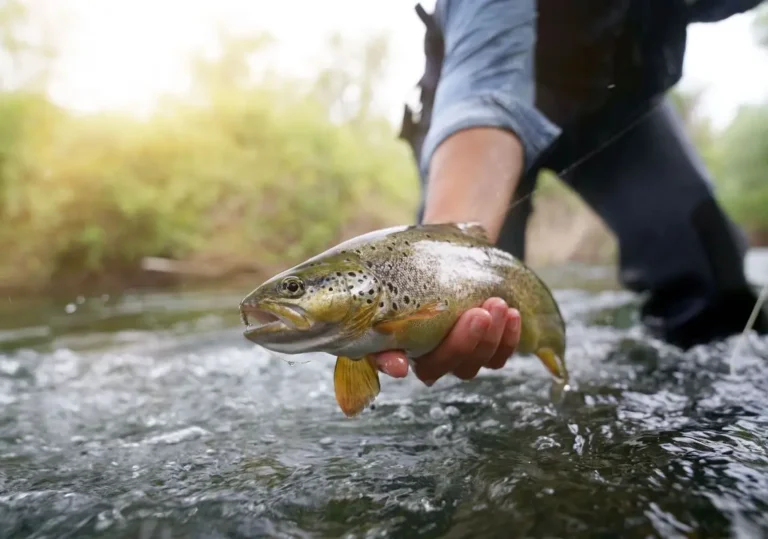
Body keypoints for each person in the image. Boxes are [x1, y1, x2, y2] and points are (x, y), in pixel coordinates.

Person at [370, 0, 768, 384]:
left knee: (713, 286)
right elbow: (482, 94)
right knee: (464, 322)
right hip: (481, 112)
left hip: (615, 105)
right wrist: (435, 269)